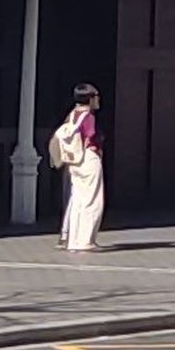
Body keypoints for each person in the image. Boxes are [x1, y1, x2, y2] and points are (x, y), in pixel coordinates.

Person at [53, 83, 104, 253]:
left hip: (74, 160)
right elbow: (91, 136)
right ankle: (86, 240)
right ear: (90, 98)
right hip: (88, 157)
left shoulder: (72, 115)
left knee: (77, 200)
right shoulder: (88, 117)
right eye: (95, 96)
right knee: (92, 201)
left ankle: (73, 240)